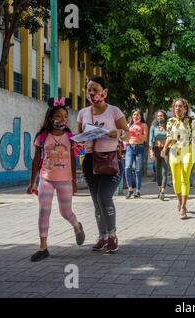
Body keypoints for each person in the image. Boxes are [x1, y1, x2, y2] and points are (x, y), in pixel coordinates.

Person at [27, 97, 85, 262]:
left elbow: (73, 161)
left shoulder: (70, 137)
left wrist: (74, 181)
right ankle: (43, 247)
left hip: (65, 180)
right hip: (46, 179)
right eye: (58, 116)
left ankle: (76, 225)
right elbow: (36, 160)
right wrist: (32, 182)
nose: (62, 119)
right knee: (44, 211)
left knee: (65, 212)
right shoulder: (42, 137)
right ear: (51, 118)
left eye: (64, 116)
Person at [77, 76, 130, 253]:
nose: (92, 93)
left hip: (110, 159)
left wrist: (119, 133)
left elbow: (128, 135)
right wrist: (77, 144)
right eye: (89, 90)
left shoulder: (114, 111)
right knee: (96, 201)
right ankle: (103, 237)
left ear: (104, 92)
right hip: (90, 160)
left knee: (104, 197)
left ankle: (113, 235)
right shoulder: (82, 113)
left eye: (95, 89)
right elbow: (79, 139)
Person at [161, 98, 195, 219]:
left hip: (188, 151)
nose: (178, 108)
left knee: (185, 177)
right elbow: (169, 137)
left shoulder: (191, 121)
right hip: (174, 152)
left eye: (180, 106)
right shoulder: (170, 121)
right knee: (176, 180)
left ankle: (183, 207)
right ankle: (180, 201)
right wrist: (164, 148)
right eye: (176, 106)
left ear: (185, 108)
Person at [125, 109, 148, 199]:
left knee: (138, 170)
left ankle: (138, 191)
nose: (136, 116)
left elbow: (145, 138)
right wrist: (124, 140)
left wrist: (138, 132)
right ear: (132, 116)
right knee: (127, 167)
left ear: (141, 116)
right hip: (130, 148)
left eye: (138, 115)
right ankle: (130, 189)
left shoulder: (144, 125)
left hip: (139, 147)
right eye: (134, 115)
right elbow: (126, 137)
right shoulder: (129, 125)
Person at [149, 110, 169, 200]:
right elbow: (150, 140)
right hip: (157, 149)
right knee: (158, 171)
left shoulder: (168, 126)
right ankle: (160, 188)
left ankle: (162, 192)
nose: (159, 117)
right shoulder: (154, 127)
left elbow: (171, 138)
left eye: (161, 116)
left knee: (165, 171)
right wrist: (151, 151)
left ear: (164, 116)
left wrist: (165, 149)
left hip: (166, 150)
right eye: (158, 116)